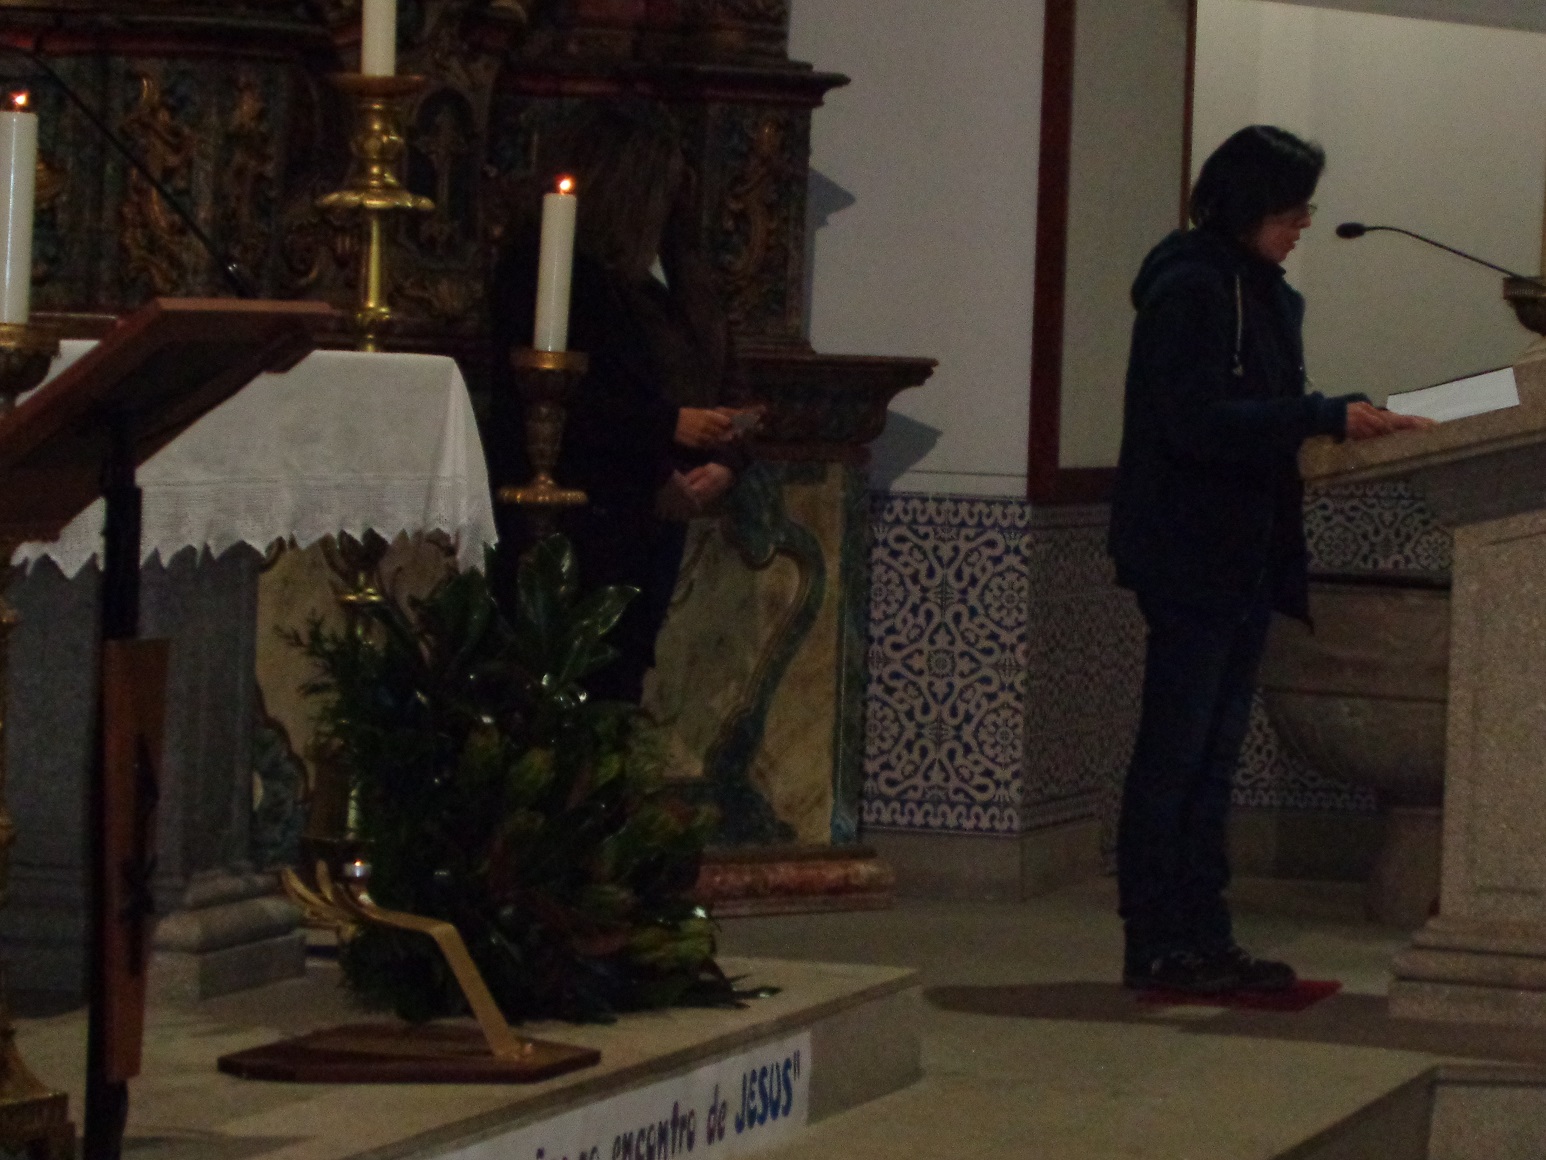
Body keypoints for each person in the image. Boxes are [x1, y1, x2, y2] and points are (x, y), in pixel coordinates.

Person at [1107, 125, 1431, 994]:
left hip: (1246, 552)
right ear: (1247, 205)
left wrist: (1339, 415)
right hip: (1190, 551)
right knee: (1176, 758)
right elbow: (1191, 422)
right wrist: (1320, 415)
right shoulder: (1190, 286)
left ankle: (1204, 936)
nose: (1303, 226)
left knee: (1212, 761)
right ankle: (1158, 940)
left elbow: (1265, 407)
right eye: (1292, 211)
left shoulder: (1264, 294)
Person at [486, 102, 750, 703]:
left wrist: (726, 458)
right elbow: (561, 399)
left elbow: (720, 372)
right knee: (569, 680)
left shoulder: (680, 267)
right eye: (664, 182)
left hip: (653, 516)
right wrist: (665, 434)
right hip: (585, 512)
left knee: (625, 672)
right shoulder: (552, 267)